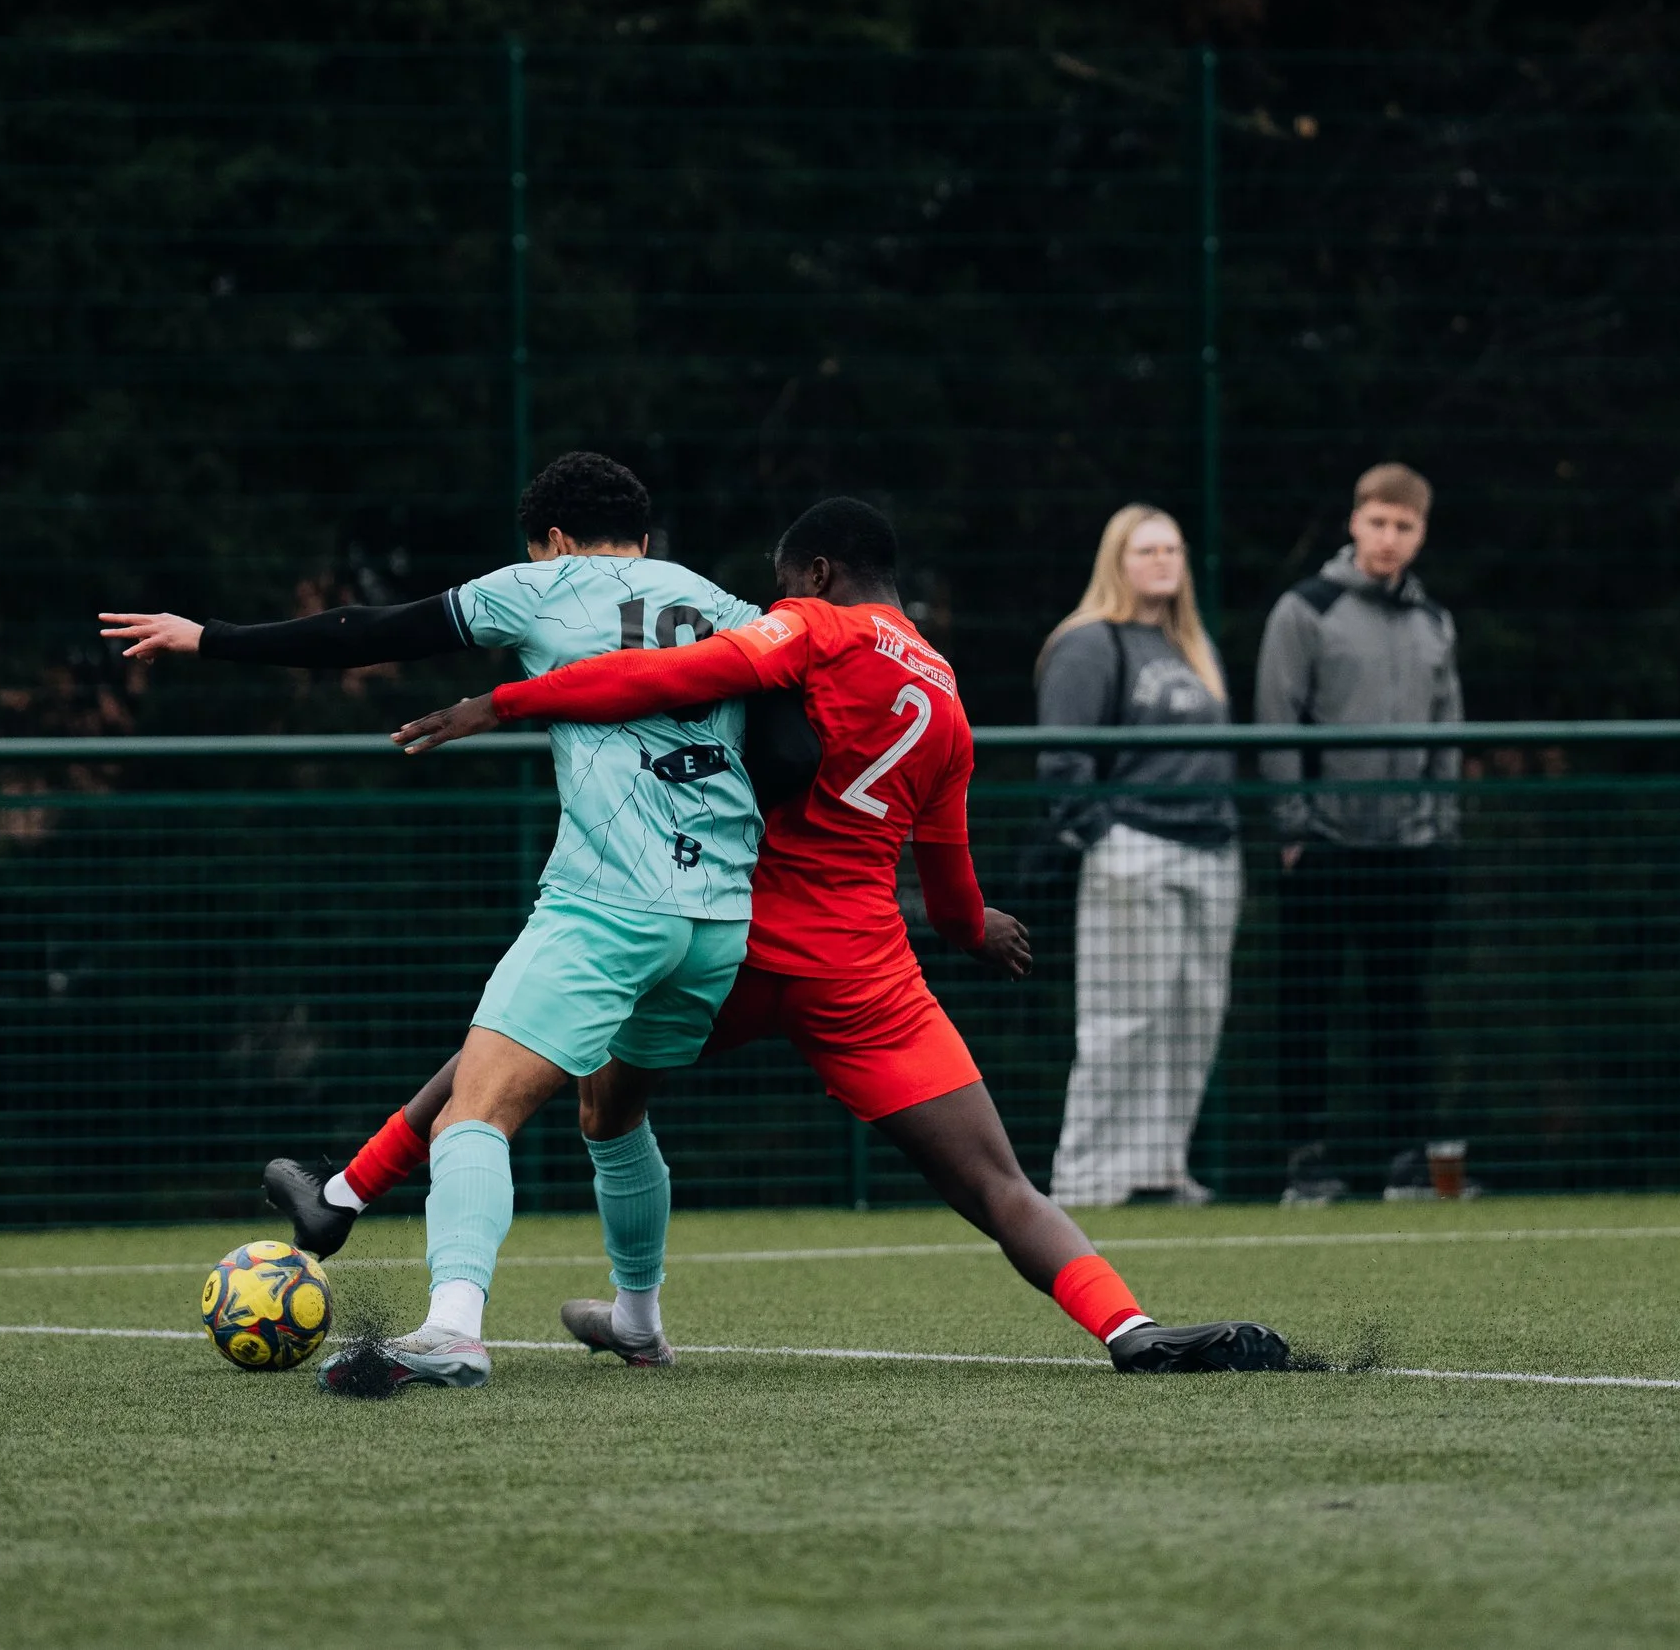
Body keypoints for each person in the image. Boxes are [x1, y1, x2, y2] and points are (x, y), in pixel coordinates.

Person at [390, 497, 1290, 1378]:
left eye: (788, 586)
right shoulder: (946, 696)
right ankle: (1128, 1325)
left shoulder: (813, 630)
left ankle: (385, 1197)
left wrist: (506, 704)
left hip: (726, 935)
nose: (781, 602)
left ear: (817, 574)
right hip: (863, 973)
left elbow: (662, 678)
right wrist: (983, 933)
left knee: (533, 1065)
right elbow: (949, 901)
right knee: (999, 1183)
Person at [101, 451, 778, 1389]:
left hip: (608, 902)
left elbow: (368, 631)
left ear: (553, 540)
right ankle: (638, 1322)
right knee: (612, 1112)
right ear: (646, 536)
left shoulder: (543, 583)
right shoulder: (731, 606)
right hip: (717, 913)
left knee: (477, 1110)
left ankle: (453, 1325)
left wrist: (209, 636)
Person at [1254, 462, 1464, 1204]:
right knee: (1309, 1003)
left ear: (1420, 533)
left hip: (1411, 849)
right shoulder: (1304, 609)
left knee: (1401, 1004)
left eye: (1404, 526)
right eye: (1378, 522)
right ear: (1354, 521)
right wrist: (1295, 827)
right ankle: (1306, 1162)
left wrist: (1439, 827)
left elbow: (1448, 733)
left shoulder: (1434, 621)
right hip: (1325, 846)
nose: (1389, 537)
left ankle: (1409, 1161)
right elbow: (1277, 723)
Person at [1035, 504, 1239, 1209]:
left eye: (1174, 549)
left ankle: (1158, 1167)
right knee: (1122, 1018)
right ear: (1117, 559)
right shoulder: (1090, 642)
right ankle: (1087, 1176)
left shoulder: (1192, 644)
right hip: (1134, 844)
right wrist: (1100, 835)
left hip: (1211, 849)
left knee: (1193, 1015)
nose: (1163, 561)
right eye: (1147, 549)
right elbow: (1061, 755)